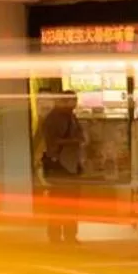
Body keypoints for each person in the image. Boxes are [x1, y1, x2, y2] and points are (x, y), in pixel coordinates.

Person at [38, 95, 84, 242]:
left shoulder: (70, 117)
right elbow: (52, 140)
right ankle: (58, 234)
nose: (74, 103)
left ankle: (68, 233)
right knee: (61, 202)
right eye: (71, 100)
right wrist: (73, 141)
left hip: (70, 163)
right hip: (60, 164)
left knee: (69, 202)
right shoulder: (54, 119)